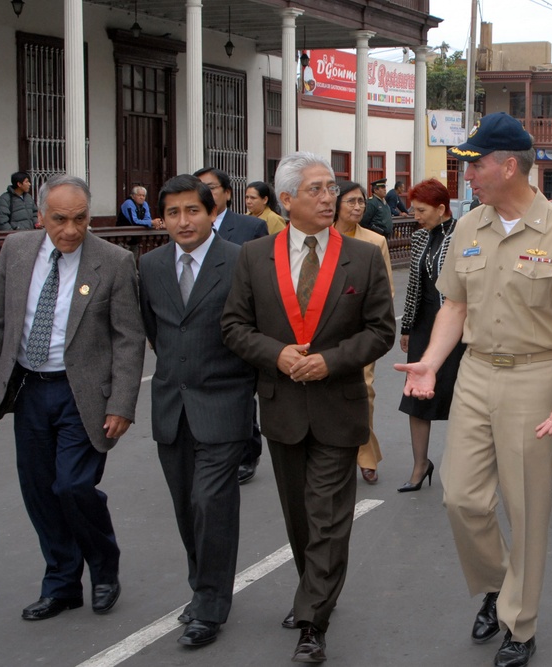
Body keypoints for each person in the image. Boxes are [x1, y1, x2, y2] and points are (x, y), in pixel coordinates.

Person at [395, 112, 552, 667]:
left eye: (476, 164)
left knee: (527, 506)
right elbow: (453, 306)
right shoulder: (469, 227)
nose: (467, 176)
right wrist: (429, 364)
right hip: (474, 374)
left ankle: (520, 621)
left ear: (509, 166)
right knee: (461, 497)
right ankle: (495, 583)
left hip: (537, 376)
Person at [221, 152, 395, 664]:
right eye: (316, 189)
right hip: (282, 407)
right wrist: (275, 354)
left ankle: (312, 620)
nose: (329, 198)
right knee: (300, 517)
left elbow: (381, 331)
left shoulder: (361, 256)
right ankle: (315, 590)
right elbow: (234, 327)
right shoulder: (254, 255)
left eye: (331, 188)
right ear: (287, 199)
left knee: (327, 516)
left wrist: (330, 361)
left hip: (338, 405)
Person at [0, 174, 145, 621]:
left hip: (84, 394)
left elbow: (128, 338)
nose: (71, 230)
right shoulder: (17, 251)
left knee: (73, 486)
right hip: (30, 390)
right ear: (41, 216)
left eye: (79, 219)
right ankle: (61, 583)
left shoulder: (113, 262)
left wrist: (121, 404)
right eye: (60, 220)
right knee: (39, 491)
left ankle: (105, 567)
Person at [138, 175, 256, 647]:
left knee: (212, 502)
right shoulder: (148, 266)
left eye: (193, 211)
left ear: (212, 212)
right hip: (171, 405)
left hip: (225, 401)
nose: (183, 221)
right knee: (187, 506)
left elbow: (254, 326)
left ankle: (210, 604)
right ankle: (202, 585)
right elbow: (156, 331)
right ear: (162, 219)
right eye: (173, 213)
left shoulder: (240, 261)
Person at [194, 167, 268, 484]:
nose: (206, 193)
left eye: (211, 188)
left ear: (227, 192)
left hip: (241, 326)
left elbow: (266, 279)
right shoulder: (190, 227)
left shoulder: (251, 227)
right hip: (201, 326)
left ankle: (246, 453)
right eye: (200, 188)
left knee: (240, 395)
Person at [397, 178, 465, 492]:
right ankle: (420, 465)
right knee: (416, 398)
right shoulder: (421, 237)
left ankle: (461, 469)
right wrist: (407, 327)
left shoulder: (463, 235)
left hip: (456, 328)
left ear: (441, 208)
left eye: (422, 210)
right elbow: (414, 287)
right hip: (425, 326)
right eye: (414, 210)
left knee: (459, 400)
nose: (417, 216)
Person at [333, 180, 395, 485]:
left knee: (363, 392)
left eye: (360, 202)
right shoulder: (323, 239)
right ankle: (337, 453)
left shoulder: (374, 242)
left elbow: (386, 292)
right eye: (351, 202)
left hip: (362, 333)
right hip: (325, 332)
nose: (357, 207)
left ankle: (366, 456)